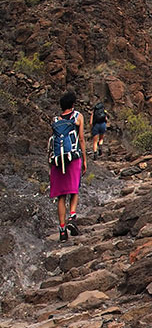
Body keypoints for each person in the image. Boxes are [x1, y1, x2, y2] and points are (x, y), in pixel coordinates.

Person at [49, 91, 86, 241]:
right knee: (74, 189)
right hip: (73, 158)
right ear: (72, 105)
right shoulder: (78, 117)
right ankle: (72, 216)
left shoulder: (56, 120)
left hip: (58, 161)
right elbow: (81, 139)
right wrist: (84, 159)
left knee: (61, 196)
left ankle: (62, 230)